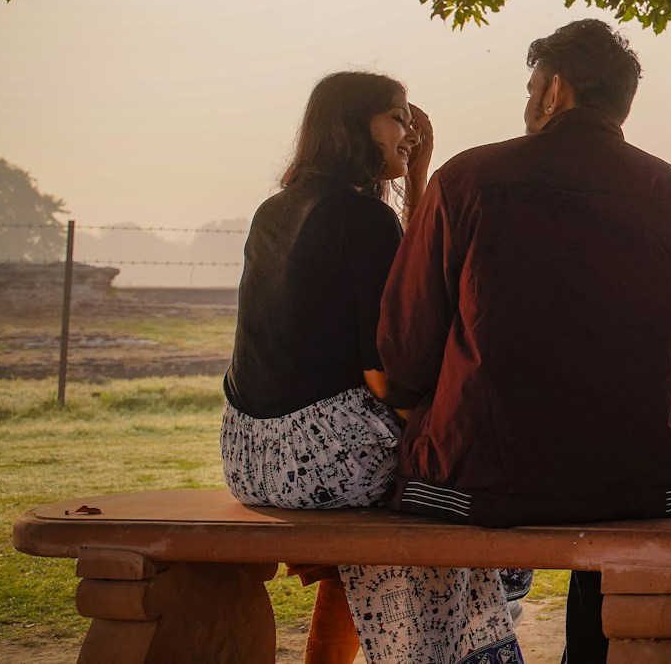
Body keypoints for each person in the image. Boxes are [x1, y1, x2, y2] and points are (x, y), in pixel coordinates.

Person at [377, 19, 671, 664]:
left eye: (531, 87)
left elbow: (405, 356)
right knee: (629, 499)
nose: (527, 102)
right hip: (651, 481)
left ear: (555, 92)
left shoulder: (467, 181)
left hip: (476, 481)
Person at [220, 71, 527, 664]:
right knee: (476, 479)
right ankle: (490, 622)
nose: (410, 131)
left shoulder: (275, 210)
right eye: (397, 118)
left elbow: (400, 287)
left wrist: (415, 175)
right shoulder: (361, 219)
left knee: (435, 477)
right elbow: (390, 372)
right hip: (323, 460)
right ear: (352, 124)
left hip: (250, 455)